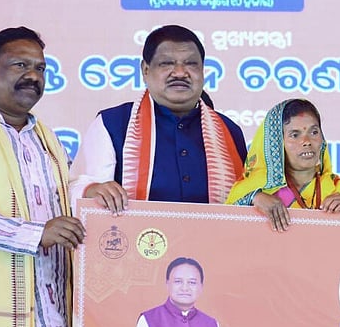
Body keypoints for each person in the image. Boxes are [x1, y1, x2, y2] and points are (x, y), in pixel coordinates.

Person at [0, 27, 85, 327]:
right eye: (20, 65)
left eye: (40, 68)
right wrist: (36, 234)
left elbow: (63, 201)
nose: (33, 76)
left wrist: (89, 191)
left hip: (51, 316)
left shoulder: (49, 140)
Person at [69, 25, 247, 212]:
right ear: (145, 70)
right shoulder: (112, 124)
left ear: (203, 71)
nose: (180, 72)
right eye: (166, 63)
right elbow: (76, 189)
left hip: (214, 241)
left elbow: (246, 199)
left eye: (191, 63)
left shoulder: (230, 131)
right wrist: (92, 190)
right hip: (137, 240)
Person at [226, 98, 340, 230]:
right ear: (277, 144)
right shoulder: (254, 190)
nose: (307, 141)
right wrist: (253, 199)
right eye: (295, 135)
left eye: (314, 132)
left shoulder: (338, 189)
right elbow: (223, 228)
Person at [134, 257, 223, 327]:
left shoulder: (212, 325)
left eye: (192, 282)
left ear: (201, 287)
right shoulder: (149, 319)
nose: (185, 288)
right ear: (167, 284)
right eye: (178, 281)